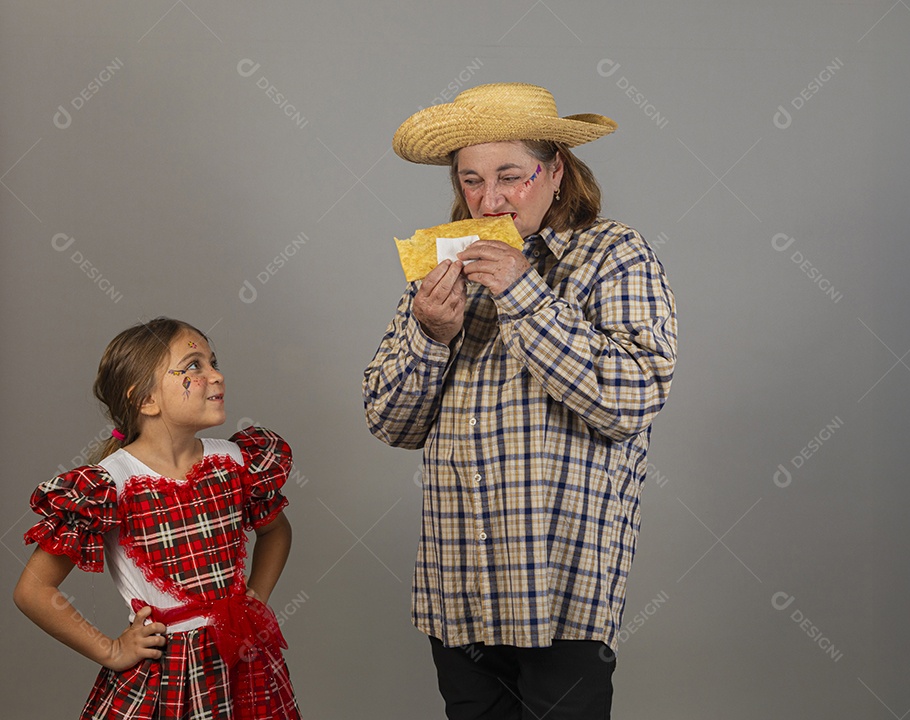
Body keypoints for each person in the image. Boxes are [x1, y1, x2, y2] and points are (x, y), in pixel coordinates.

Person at [364, 82, 678, 719]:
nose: (491, 199)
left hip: (560, 582)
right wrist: (430, 335)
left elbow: (631, 399)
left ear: (555, 170)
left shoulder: (613, 253)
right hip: (459, 586)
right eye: (472, 180)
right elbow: (388, 422)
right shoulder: (441, 268)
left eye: (511, 175)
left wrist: (524, 293)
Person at [14, 317, 302, 720]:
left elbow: (275, 531)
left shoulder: (238, 462)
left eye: (213, 361)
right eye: (194, 366)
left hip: (242, 660)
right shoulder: (110, 485)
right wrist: (112, 650)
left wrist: (256, 597)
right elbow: (34, 590)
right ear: (145, 400)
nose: (216, 375)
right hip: (167, 675)